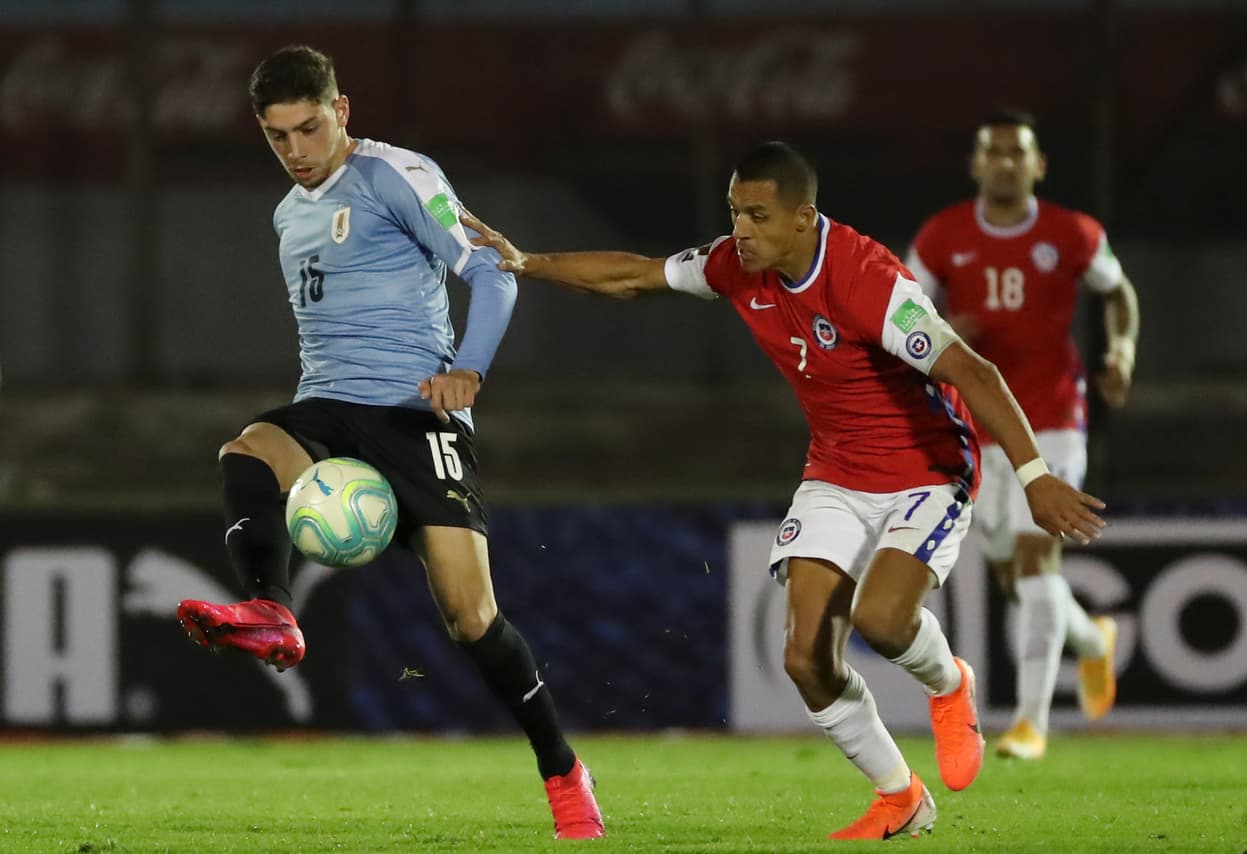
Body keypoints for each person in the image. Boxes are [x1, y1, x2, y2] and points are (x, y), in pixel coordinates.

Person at [460, 141, 1108, 841]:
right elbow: (634, 277)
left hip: (926, 469)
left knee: (884, 621)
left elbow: (974, 371)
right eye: (736, 212)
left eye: (758, 216)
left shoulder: (869, 281)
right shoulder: (734, 266)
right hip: (835, 470)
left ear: (805, 217)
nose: (741, 229)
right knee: (803, 657)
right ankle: (900, 795)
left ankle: (950, 684)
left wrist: (1035, 476)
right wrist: (528, 262)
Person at [174, 45, 603, 840]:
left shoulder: (398, 176)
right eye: (278, 137)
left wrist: (468, 370)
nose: (297, 152)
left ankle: (562, 769)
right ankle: (273, 610)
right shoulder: (288, 215)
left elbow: (492, 272)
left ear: (342, 111)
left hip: (417, 417)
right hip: (329, 409)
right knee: (246, 451)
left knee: (471, 619)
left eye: (309, 128)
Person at [904, 110, 1138, 760]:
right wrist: (943, 328)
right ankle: (1093, 640)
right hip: (974, 427)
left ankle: (1031, 723)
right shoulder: (942, 236)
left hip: (1054, 419)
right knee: (1014, 574)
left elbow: (1119, 295)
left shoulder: (1072, 233)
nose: (1006, 162)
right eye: (994, 152)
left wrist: (1120, 351)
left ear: (1038, 165)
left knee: (1037, 562)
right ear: (977, 164)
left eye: (1018, 152)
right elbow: (898, 310)